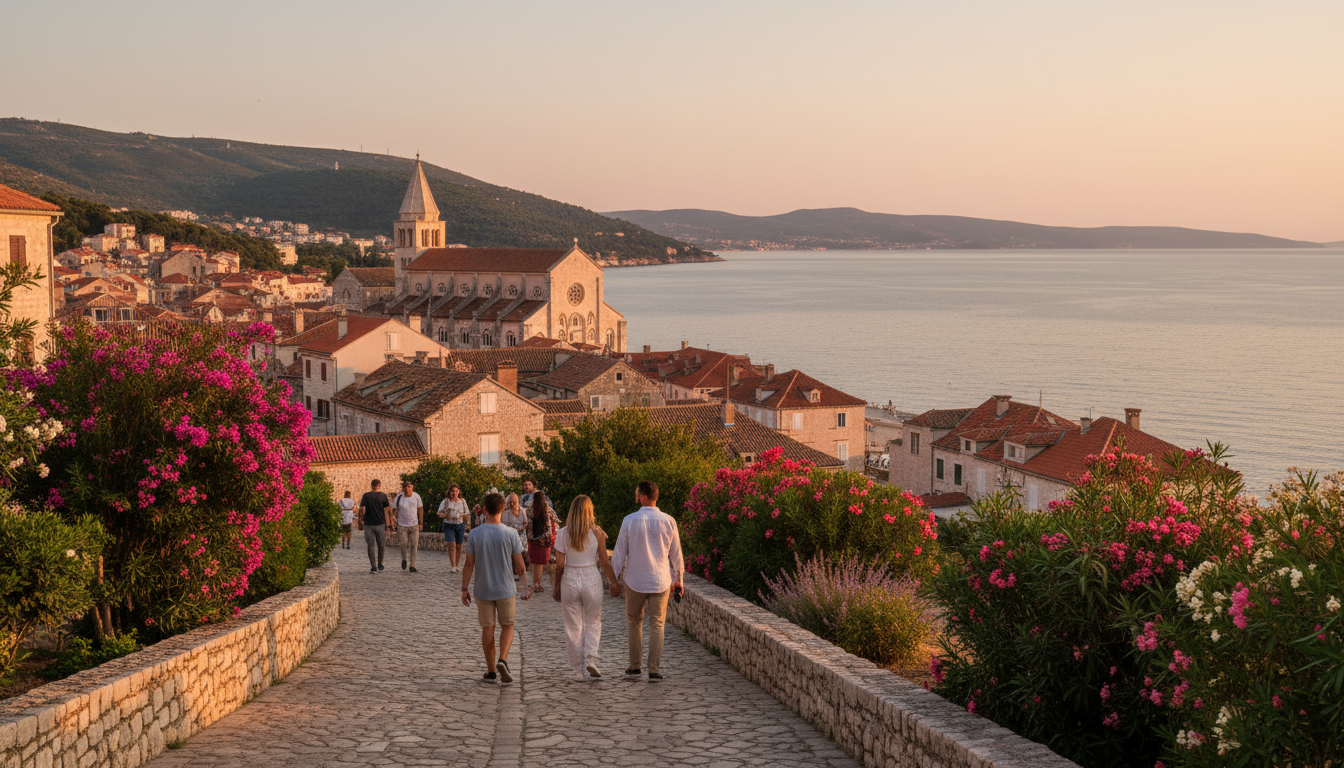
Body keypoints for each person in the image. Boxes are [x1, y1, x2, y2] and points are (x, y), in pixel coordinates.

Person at [610, 480, 684, 681]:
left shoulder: (630, 520)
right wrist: (679, 579)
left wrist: (613, 580)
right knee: (658, 624)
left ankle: (635, 666)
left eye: (637, 493)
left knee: (634, 622)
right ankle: (654, 669)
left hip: (635, 579)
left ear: (642, 496)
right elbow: (676, 555)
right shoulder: (669, 521)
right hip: (661, 580)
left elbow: (618, 553)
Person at [461, 492, 530, 683]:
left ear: (485, 509)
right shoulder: (510, 533)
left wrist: (464, 589)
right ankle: (503, 659)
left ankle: (491, 670)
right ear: (502, 509)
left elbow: (468, 564)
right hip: (506, 588)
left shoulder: (475, 534)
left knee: (487, 629)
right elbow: (520, 565)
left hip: (483, 590)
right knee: (507, 625)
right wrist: (525, 586)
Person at [553, 495, 619, 680]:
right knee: (593, 622)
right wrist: (614, 582)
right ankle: (591, 659)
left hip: (570, 578)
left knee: (573, 626)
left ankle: (577, 669)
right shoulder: (598, 533)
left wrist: (556, 587)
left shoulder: (563, 533)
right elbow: (605, 562)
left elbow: (559, 566)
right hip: (591, 578)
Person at [526, 491, 558, 594]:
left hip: (532, 540)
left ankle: (535, 582)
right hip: (544, 540)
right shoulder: (548, 510)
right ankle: (537, 584)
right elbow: (556, 520)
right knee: (540, 563)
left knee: (535, 562)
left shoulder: (530, 510)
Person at [357, 479, 391, 574]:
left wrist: (361, 519)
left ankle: (373, 566)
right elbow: (387, 510)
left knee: (370, 545)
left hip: (369, 524)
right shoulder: (383, 496)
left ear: (371, 485)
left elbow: (361, 509)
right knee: (381, 544)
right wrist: (388, 524)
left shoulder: (366, 495)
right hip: (380, 523)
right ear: (379, 486)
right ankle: (380, 563)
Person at [391, 481, 423, 572]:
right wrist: (395, 519)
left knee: (414, 545)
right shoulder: (399, 497)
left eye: (410, 487)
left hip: (414, 525)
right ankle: (404, 559)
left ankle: (412, 565)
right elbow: (394, 509)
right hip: (402, 525)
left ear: (412, 487)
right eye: (406, 487)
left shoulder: (416, 496)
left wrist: (421, 523)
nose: (408, 489)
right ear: (404, 488)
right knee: (403, 544)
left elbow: (420, 509)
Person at [437, 484, 470, 573]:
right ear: (449, 492)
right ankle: (453, 565)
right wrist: (445, 514)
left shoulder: (462, 501)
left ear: (458, 492)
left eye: (456, 491)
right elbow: (439, 513)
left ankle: (457, 564)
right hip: (449, 524)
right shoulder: (446, 501)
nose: (454, 493)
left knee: (459, 545)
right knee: (451, 544)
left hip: (460, 524)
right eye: (452, 491)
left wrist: (468, 524)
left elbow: (467, 513)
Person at [501, 493, 530, 580]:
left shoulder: (522, 511)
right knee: (512, 553)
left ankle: (522, 570)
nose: (511, 504)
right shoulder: (505, 513)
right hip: (510, 535)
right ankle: (514, 571)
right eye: (510, 502)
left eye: (513, 502)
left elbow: (526, 523)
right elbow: (503, 525)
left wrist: (520, 528)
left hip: (521, 534)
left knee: (522, 552)